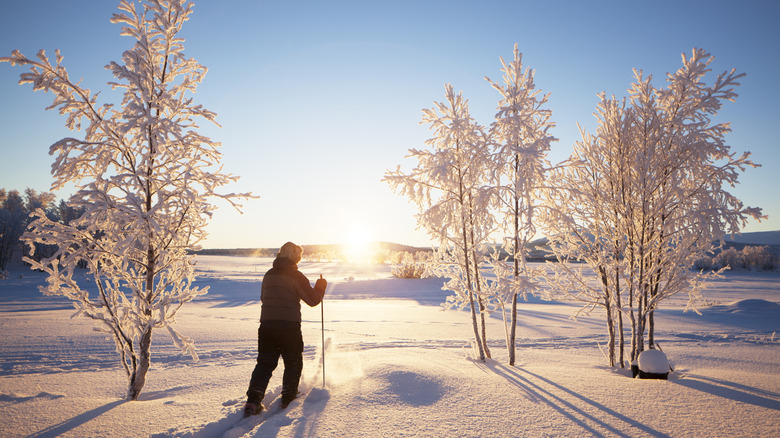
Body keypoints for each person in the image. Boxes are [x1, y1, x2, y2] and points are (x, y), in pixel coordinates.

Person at [244, 242, 327, 417]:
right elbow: (312, 300)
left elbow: (263, 297)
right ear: (294, 257)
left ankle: (253, 400)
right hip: (289, 326)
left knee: (265, 363)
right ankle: (288, 397)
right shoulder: (296, 276)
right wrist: (320, 287)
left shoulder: (268, 274)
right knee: (293, 361)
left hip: (266, 325)